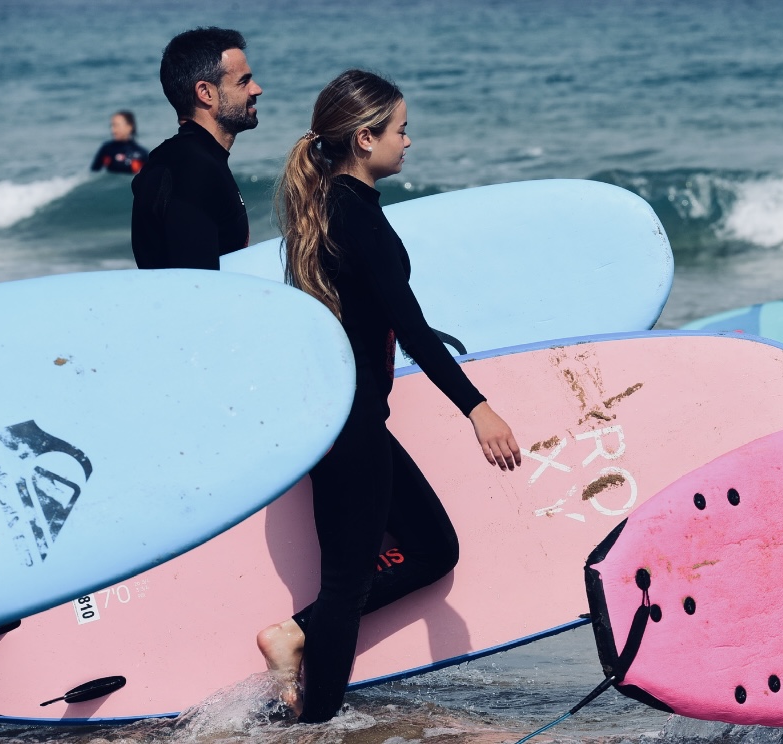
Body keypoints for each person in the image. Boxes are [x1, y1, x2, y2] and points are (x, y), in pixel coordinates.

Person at [254, 69, 522, 724]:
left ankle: (295, 635)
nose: (409, 140)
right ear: (365, 137)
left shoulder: (331, 207)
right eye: (401, 129)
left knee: (432, 549)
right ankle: (317, 725)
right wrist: (477, 407)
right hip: (351, 428)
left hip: (346, 422)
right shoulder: (356, 215)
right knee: (346, 588)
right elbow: (413, 328)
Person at [130, 27, 263, 269]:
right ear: (205, 93)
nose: (256, 89)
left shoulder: (185, 159)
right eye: (243, 81)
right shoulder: (193, 170)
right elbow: (196, 281)